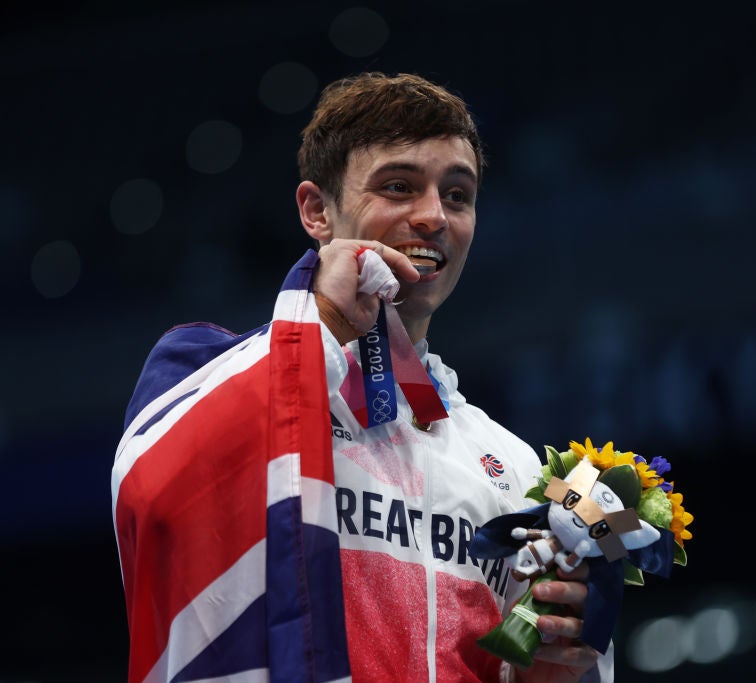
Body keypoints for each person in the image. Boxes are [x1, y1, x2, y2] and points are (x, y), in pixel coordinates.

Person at [112, 72, 611, 682]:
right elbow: (153, 499)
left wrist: (556, 665)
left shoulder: (513, 465)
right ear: (317, 211)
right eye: (399, 187)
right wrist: (319, 321)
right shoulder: (205, 375)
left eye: (457, 195)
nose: (433, 216)